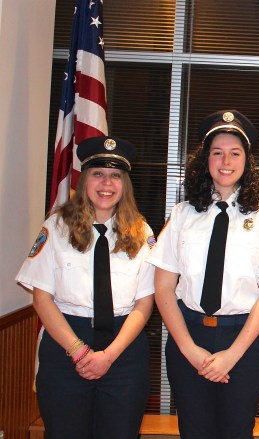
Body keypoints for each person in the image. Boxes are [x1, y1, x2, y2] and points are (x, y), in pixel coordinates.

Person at [148, 110, 259, 439]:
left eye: (235, 153)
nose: (226, 161)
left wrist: (232, 355)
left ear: (247, 160)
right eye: (217, 152)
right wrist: (188, 348)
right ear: (205, 159)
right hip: (189, 335)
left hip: (244, 339)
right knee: (193, 430)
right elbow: (164, 287)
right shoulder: (182, 214)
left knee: (236, 431)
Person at [16, 136, 155, 439]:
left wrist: (109, 355)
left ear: (124, 183)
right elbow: (42, 298)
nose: (107, 183)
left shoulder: (142, 232)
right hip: (66, 345)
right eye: (98, 174)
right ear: (84, 180)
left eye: (115, 175)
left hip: (124, 351)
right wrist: (78, 351)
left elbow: (144, 305)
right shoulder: (56, 227)